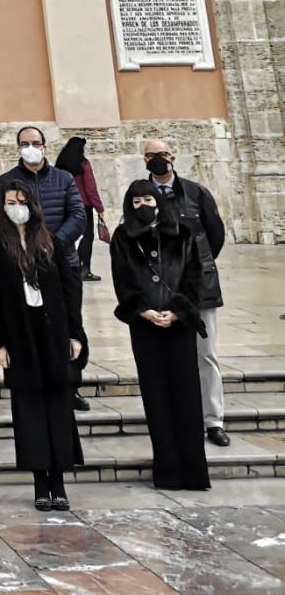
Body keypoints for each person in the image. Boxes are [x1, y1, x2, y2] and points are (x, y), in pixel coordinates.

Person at [0, 180, 83, 511]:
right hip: (19, 334)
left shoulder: (48, 239)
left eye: (21, 200)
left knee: (57, 405)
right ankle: (40, 481)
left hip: (52, 332)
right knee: (30, 411)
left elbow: (68, 289)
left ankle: (60, 482)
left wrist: (75, 334)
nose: (16, 206)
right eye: (10, 201)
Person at [110, 179, 209, 491]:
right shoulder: (123, 238)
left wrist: (179, 311)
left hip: (179, 325)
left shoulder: (182, 233)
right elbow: (122, 280)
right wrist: (143, 310)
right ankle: (167, 471)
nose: (143, 206)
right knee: (157, 398)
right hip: (145, 326)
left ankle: (193, 472)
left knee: (187, 396)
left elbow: (195, 277)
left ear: (158, 200)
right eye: (136, 202)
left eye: (147, 200)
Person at [0, 125, 89, 411]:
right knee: (31, 324)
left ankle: (71, 384)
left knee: (69, 322)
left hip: (63, 265)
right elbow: (2, 218)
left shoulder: (63, 178)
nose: (30, 148)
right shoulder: (7, 180)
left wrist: (51, 245)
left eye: (35, 142)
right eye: (25, 143)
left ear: (45, 146)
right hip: (23, 265)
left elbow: (78, 214)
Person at [144, 136, 229, 447]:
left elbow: (215, 236)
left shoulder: (195, 192)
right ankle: (180, 417)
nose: (158, 159)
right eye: (152, 155)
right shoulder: (141, 194)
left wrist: (198, 267)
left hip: (199, 289)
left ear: (173, 156)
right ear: (144, 160)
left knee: (205, 354)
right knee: (169, 356)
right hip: (161, 291)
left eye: (163, 154)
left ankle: (213, 420)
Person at [55, 136, 105, 281]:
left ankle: (67, 267)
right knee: (87, 236)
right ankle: (84, 269)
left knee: (67, 236)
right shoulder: (83, 164)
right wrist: (99, 207)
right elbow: (90, 188)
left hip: (65, 204)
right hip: (83, 205)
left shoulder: (60, 164)